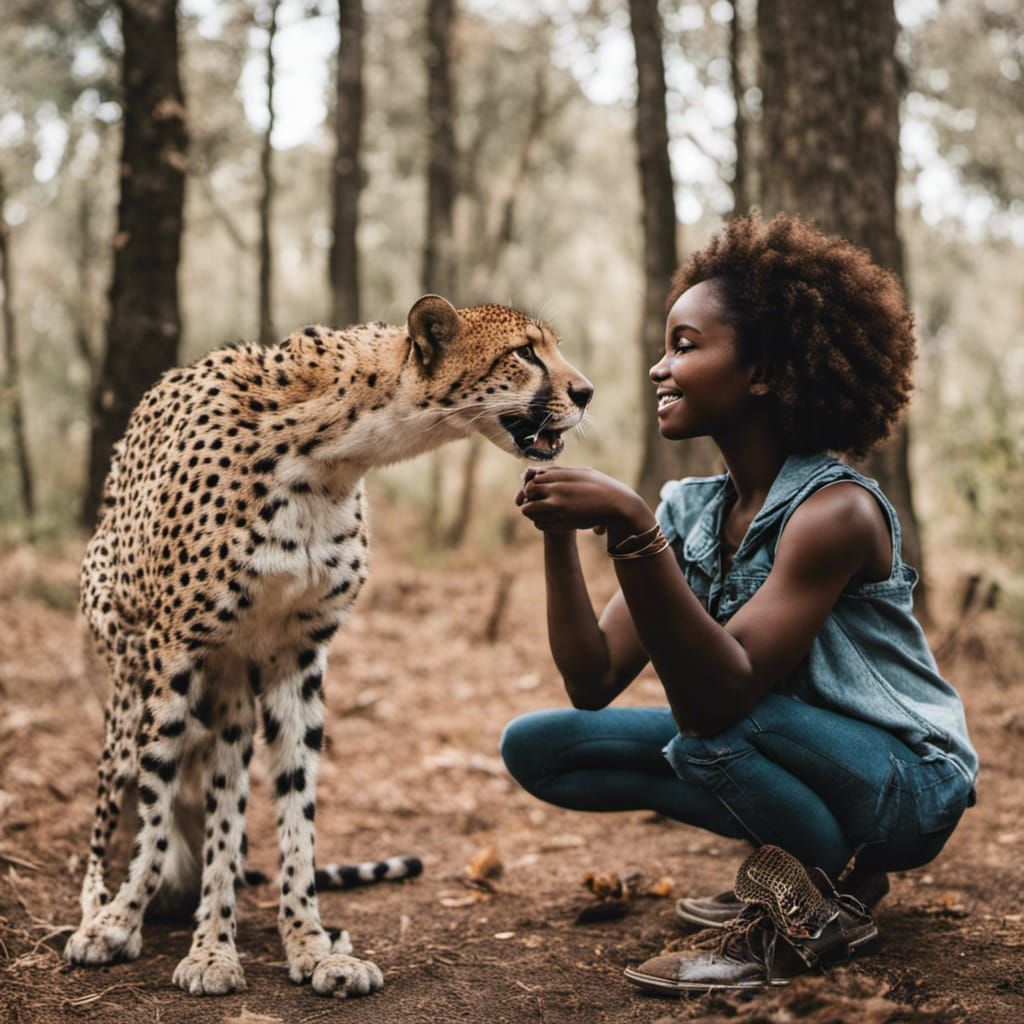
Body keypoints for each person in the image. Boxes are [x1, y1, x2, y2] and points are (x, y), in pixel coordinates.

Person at [501, 214, 978, 994]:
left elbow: (720, 692)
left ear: (761, 373)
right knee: (543, 747)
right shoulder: (692, 512)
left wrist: (629, 522)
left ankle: (809, 904)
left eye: (685, 346)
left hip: (906, 782)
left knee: (706, 737)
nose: (659, 367)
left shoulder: (835, 512)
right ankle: (819, 870)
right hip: (772, 741)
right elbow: (592, 679)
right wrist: (562, 528)